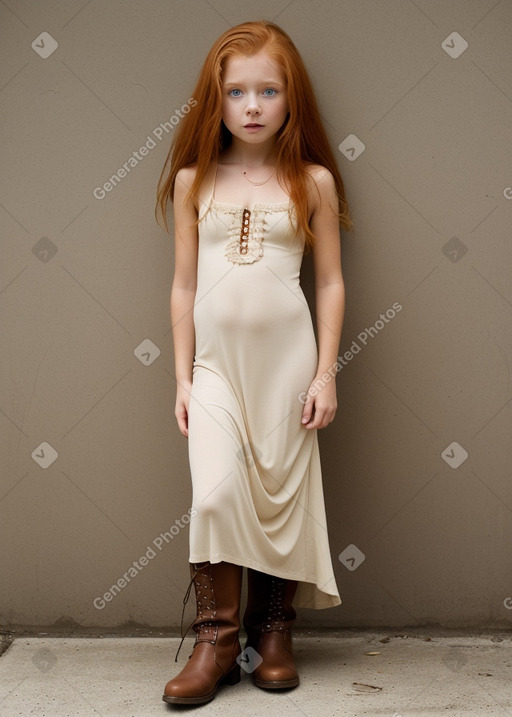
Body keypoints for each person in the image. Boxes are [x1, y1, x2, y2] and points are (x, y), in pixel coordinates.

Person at [155, 19, 353, 706]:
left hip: (289, 364)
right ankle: (214, 643)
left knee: (282, 495)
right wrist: (181, 376)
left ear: (290, 96)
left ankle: (273, 634)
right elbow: (183, 284)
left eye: (268, 90)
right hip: (214, 366)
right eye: (237, 91)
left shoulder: (314, 181)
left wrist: (326, 372)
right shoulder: (192, 181)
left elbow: (328, 282)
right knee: (214, 493)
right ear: (216, 99)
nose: (252, 105)